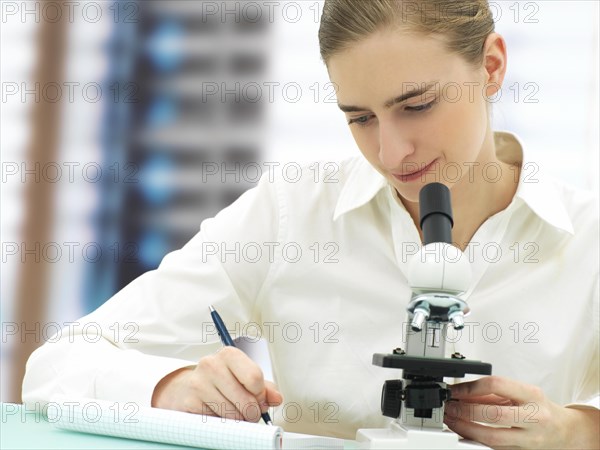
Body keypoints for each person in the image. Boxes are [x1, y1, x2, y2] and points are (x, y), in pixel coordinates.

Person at [23, 0, 599, 448]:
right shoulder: (289, 214)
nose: (393, 152)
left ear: (492, 67)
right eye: (360, 118)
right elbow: (55, 367)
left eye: (417, 105)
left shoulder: (588, 237)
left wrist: (577, 433)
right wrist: (170, 388)